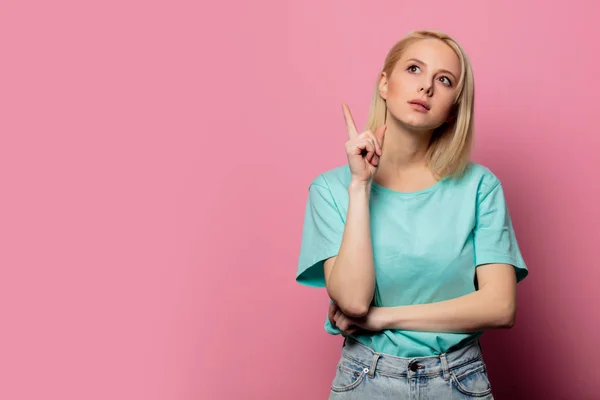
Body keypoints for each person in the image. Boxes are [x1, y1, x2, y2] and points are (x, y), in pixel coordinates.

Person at [296, 29, 528, 399]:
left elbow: (500, 306)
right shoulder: (331, 190)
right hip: (366, 379)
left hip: (458, 380)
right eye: (415, 69)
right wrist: (360, 187)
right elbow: (354, 302)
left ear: (453, 108)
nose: (426, 88)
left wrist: (383, 318)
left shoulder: (479, 187)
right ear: (385, 84)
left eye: (444, 80)